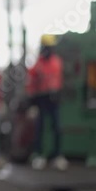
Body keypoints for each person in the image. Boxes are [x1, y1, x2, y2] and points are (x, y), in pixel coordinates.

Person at [27, 34, 67, 171]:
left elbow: (59, 80)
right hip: (41, 100)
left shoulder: (57, 62)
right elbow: (31, 84)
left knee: (57, 128)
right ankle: (38, 155)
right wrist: (32, 103)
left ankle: (57, 156)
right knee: (40, 129)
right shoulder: (37, 64)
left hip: (54, 99)